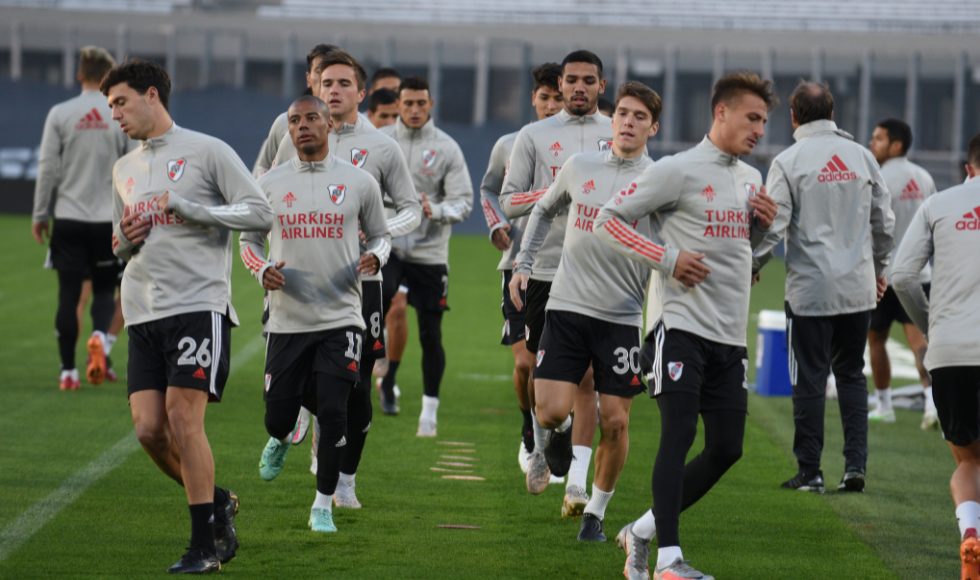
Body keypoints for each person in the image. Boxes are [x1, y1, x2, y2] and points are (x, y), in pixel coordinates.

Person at [595, 71, 778, 580]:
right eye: (753, 117)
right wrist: (667, 258)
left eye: (764, 120)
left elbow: (747, 256)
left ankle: (642, 530)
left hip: (728, 335)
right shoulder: (677, 170)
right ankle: (670, 562)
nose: (760, 129)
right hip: (677, 326)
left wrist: (762, 228)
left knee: (727, 448)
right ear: (721, 112)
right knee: (679, 431)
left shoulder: (750, 179)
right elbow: (608, 219)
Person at [103, 58, 274, 573]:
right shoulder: (124, 168)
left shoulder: (207, 150)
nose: (115, 114)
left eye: (121, 102)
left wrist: (189, 207)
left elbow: (260, 212)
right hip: (142, 311)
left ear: (152, 95)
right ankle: (217, 501)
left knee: (183, 417)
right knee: (150, 431)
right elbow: (117, 240)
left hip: (197, 305)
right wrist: (122, 242)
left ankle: (203, 547)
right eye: (110, 105)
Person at [266, 50, 422, 503]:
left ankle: (346, 479)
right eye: (326, 83)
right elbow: (271, 185)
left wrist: (377, 235)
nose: (333, 91)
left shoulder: (383, 147)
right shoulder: (294, 129)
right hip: (295, 281)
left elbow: (411, 209)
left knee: (357, 389)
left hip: (361, 287)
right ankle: (299, 424)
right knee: (315, 384)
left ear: (362, 92)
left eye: (343, 84)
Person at [510, 81, 660, 542]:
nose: (629, 122)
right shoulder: (579, 166)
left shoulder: (661, 179)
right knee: (552, 411)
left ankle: (595, 514)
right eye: (623, 114)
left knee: (616, 421)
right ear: (611, 121)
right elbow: (543, 209)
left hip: (621, 317)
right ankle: (550, 437)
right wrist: (524, 264)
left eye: (640, 117)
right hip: (567, 306)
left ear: (653, 127)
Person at [240, 95, 391, 533]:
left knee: (334, 411)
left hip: (342, 316)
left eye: (311, 118)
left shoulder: (359, 181)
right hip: (287, 320)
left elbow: (381, 236)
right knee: (277, 416)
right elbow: (248, 242)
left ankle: (323, 504)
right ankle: (282, 435)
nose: (302, 126)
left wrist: (376, 259)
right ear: (288, 129)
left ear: (329, 124)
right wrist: (262, 268)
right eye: (294, 121)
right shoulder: (268, 183)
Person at [758, 81, 894, 494]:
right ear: (833, 113)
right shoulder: (863, 157)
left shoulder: (788, 160)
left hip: (810, 291)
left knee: (810, 381)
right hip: (856, 287)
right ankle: (855, 467)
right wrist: (879, 269)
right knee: (852, 375)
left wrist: (751, 263)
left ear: (794, 117)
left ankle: (810, 471)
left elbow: (774, 225)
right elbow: (884, 223)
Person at [498, 50, 611, 512]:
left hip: (600, 273)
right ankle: (551, 432)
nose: (580, 87)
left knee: (587, 379)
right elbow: (508, 202)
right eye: (572, 80)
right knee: (546, 392)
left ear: (602, 85)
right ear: (559, 86)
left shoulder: (617, 133)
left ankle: (578, 484)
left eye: (589, 80)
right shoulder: (535, 135)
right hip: (544, 271)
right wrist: (558, 191)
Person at [893, 133, 980, 580]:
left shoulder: (941, 203)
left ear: (968, 168)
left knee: (969, 462)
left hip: (951, 352)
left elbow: (903, 275)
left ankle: (971, 534)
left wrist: (933, 326)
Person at [479, 62, 563, 475]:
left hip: (568, 267)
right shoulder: (510, 144)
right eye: (544, 97)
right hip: (518, 266)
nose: (551, 105)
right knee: (525, 364)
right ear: (533, 99)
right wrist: (496, 222)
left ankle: (558, 433)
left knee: (562, 367)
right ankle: (531, 435)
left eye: (558, 98)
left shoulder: (585, 148)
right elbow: (489, 189)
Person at [31, 46, 131, 391]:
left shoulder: (59, 113)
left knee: (69, 295)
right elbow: (133, 166)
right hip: (107, 221)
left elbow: (47, 169)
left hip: (69, 219)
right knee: (105, 291)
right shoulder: (118, 114)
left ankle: (67, 372)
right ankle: (100, 342)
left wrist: (41, 214)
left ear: (79, 75)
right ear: (109, 78)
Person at [379, 76, 473, 437]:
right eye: (408, 104)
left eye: (421, 103)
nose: (415, 110)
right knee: (383, 299)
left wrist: (436, 209)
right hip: (389, 244)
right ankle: (379, 367)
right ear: (398, 105)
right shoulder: (381, 142)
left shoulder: (447, 148)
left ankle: (428, 412)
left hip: (431, 252)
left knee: (431, 335)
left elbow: (463, 201)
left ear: (430, 104)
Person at [866, 119, 937, 428]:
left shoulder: (877, 177)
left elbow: (869, 226)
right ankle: (933, 406)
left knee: (876, 340)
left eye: (878, 138)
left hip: (883, 276)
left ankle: (884, 406)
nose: (872, 143)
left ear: (896, 145)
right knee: (920, 342)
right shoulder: (924, 178)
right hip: (919, 275)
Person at [252, 44, 338, 178]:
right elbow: (262, 166)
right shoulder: (283, 123)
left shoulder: (356, 126)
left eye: (331, 71)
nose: (325, 78)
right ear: (308, 79)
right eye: (319, 71)